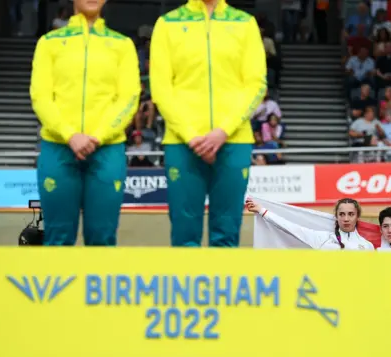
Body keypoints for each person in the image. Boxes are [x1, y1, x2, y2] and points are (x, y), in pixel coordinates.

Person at [150, 0, 266, 247]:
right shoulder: (167, 23)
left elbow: (256, 85)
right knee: (184, 232)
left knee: (227, 231)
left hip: (233, 141)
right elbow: (161, 87)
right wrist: (190, 135)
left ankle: (222, 285)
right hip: (182, 143)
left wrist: (223, 131)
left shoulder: (245, 23)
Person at [30, 0, 141, 246]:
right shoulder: (49, 43)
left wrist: (99, 135)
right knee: (57, 237)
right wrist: (70, 135)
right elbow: (41, 96)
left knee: (102, 237)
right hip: (58, 148)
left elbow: (129, 97)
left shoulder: (122, 45)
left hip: (107, 149)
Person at [246, 197, 375, 251]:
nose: (346, 219)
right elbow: (290, 227)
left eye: (351, 214)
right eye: (342, 214)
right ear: (336, 216)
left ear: (357, 216)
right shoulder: (323, 238)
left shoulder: (367, 246)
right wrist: (262, 211)